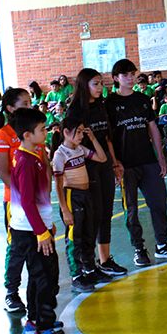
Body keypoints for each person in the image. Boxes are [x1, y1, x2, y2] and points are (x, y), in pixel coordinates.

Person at [106, 58, 167, 266]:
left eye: (132, 74)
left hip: (148, 161)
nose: (130, 78)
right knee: (131, 209)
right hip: (126, 165)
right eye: (125, 75)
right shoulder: (110, 104)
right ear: (116, 78)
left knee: (159, 203)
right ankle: (139, 248)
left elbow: (154, 131)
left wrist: (160, 159)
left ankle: (162, 245)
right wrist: (114, 164)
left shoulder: (142, 99)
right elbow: (107, 138)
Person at [9, 108, 70, 334]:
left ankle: (35, 322)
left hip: (35, 227)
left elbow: (38, 198)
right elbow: (26, 201)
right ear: (27, 135)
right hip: (30, 231)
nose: (46, 132)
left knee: (40, 277)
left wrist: (46, 223)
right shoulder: (24, 161)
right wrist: (41, 232)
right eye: (42, 129)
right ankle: (43, 333)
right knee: (45, 279)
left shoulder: (33, 155)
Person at [66, 68, 127, 276]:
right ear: (84, 86)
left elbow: (107, 137)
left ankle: (105, 260)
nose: (100, 87)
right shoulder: (75, 111)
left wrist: (114, 162)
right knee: (93, 215)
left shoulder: (101, 107)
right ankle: (87, 263)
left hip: (104, 165)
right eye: (96, 83)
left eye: (102, 83)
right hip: (86, 168)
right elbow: (72, 145)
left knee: (106, 213)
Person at [52, 116, 110, 292]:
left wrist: (92, 139)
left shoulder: (80, 149)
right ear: (66, 133)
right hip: (72, 196)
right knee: (74, 237)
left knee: (88, 233)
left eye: (82, 132)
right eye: (78, 132)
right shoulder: (60, 155)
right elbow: (58, 184)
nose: (81, 136)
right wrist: (64, 208)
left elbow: (102, 158)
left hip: (85, 195)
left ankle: (90, 270)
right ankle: (76, 275)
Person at [0, 88, 33, 312]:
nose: (29, 106)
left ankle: (36, 287)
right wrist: (22, 194)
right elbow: (4, 172)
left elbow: (43, 162)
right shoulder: (4, 134)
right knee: (17, 246)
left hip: (36, 199)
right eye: (24, 103)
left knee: (38, 244)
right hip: (15, 200)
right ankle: (11, 292)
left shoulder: (32, 130)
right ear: (10, 108)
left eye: (29, 102)